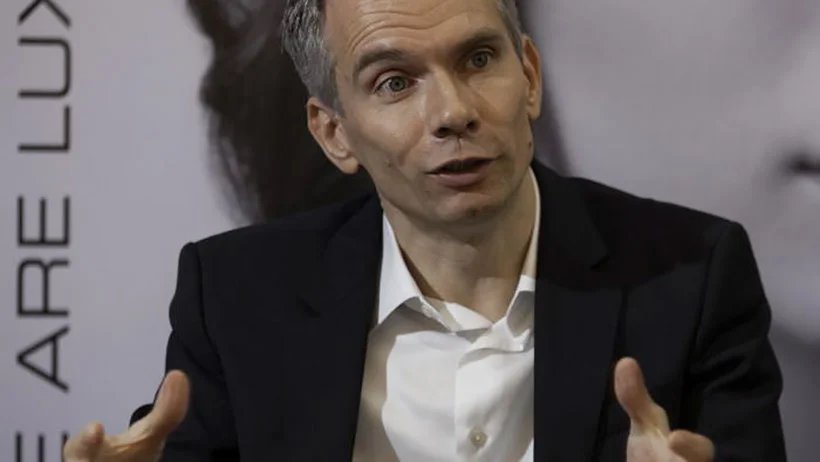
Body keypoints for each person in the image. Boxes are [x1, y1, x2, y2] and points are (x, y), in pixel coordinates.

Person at [63, 0, 786, 460]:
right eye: (394, 82)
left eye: (479, 59)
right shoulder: (238, 296)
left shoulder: (691, 274)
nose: (453, 112)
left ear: (530, 77)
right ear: (334, 132)